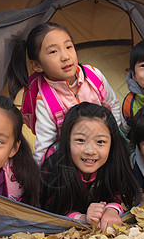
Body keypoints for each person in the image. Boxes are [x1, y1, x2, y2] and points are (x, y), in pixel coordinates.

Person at [7, 22, 122, 163]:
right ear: (37, 65)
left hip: (106, 148)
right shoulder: (45, 101)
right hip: (74, 160)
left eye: (68, 47)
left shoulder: (94, 76)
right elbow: (45, 148)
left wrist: (112, 138)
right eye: (53, 52)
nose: (65, 56)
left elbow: (113, 106)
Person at [39, 102, 140, 229]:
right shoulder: (54, 167)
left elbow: (120, 195)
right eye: (80, 140)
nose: (90, 150)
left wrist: (111, 210)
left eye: (100, 142)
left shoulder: (116, 163)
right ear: (67, 140)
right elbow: (52, 208)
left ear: (112, 143)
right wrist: (82, 218)